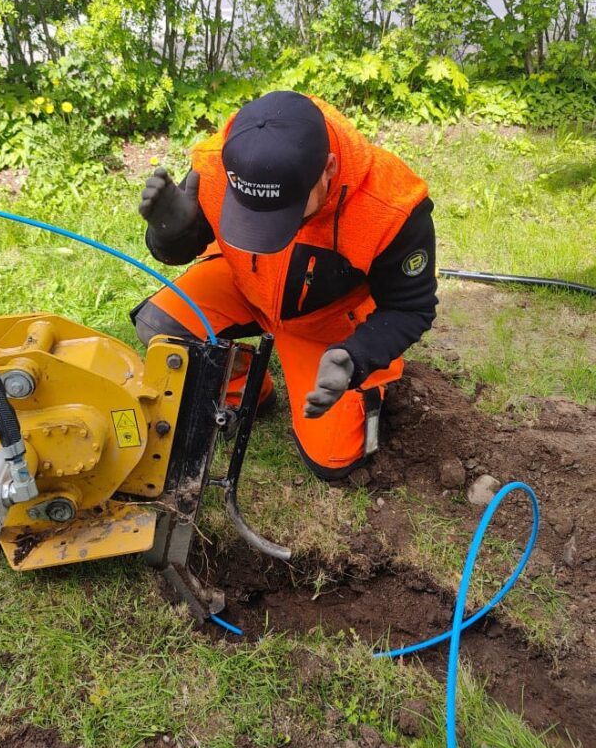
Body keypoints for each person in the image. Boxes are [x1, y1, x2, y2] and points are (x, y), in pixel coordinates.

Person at [132, 90, 437, 482]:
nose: (266, 229)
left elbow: (411, 308)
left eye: (285, 213)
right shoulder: (217, 162)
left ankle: (367, 393)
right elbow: (184, 246)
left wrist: (355, 356)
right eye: (250, 215)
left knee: (334, 460)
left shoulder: (391, 207)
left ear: (328, 168)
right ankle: (246, 392)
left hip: (325, 324)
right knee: (160, 327)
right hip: (243, 281)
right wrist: (171, 233)